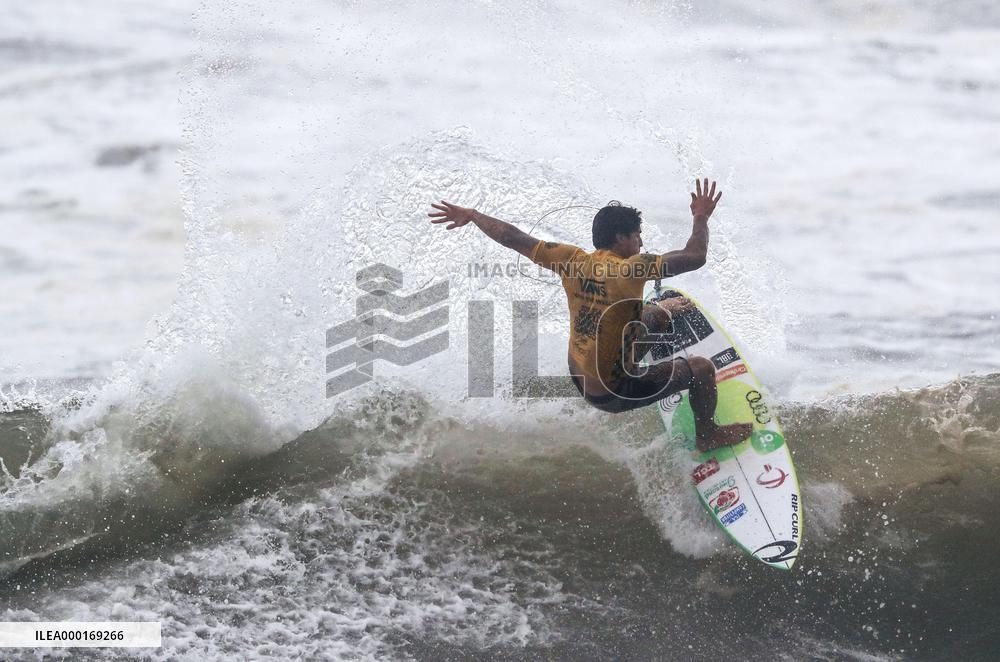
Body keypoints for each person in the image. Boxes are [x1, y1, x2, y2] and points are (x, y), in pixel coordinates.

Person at [428, 179, 751, 452]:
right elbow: (695, 256)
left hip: (578, 373)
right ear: (621, 238)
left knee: (653, 314)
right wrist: (701, 217)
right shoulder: (631, 269)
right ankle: (708, 435)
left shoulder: (570, 259)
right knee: (701, 368)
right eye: (637, 234)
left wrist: (472, 215)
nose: (640, 240)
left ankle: (656, 323)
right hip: (612, 391)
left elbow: (512, 237)